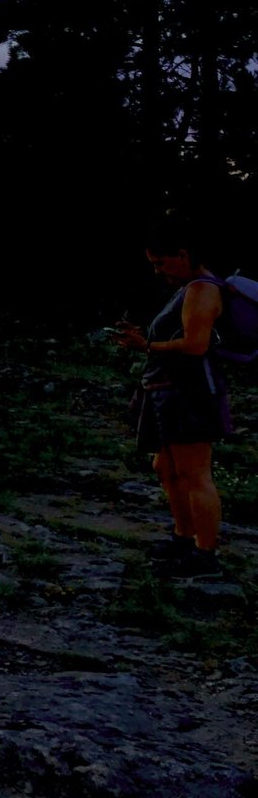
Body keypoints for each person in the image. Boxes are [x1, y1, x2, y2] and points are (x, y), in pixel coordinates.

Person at [115, 216, 232, 580]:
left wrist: (146, 345)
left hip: (190, 393)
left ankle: (206, 554)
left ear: (181, 255)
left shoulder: (201, 289)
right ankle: (183, 538)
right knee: (166, 467)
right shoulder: (187, 288)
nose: (157, 271)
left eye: (160, 263)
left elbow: (196, 346)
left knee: (194, 472)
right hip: (167, 391)